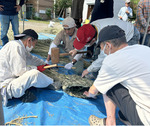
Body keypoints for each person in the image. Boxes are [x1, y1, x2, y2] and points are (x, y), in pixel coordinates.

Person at [84, 25, 150, 125]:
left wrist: (89, 94)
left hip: (146, 120)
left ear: (108, 45)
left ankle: (110, 122)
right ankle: (127, 117)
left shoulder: (111, 61)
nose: (103, 51)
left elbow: (94, 89)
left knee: (108, 84)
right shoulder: (143, 48)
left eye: (102, 48)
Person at [0, 29, 60, 107]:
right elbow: (19, 72)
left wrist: (44, 64)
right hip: (4, 85)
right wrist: (36, 68)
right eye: (35, 43)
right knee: (34, 73)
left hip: (10, 78)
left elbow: (31, 58)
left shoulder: (20, 47)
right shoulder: (16, 46)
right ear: (29, 40)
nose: (34, 46)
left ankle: (22, 92)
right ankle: (51, 84)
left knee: (32, 72)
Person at [70, 18, 140, 79]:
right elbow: (85, 40)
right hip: (116, 30)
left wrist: (88, 70)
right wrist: (76, 49)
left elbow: (103, 57)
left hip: (130, 34)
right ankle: (95, 74)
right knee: (97, 55)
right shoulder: (89, 29)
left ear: (93, 40)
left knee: (119, 61)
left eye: (86, 43)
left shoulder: (105, 37)